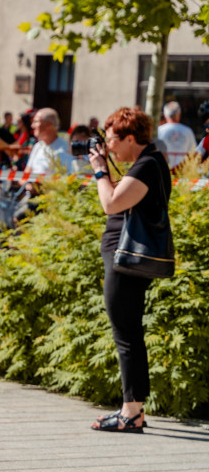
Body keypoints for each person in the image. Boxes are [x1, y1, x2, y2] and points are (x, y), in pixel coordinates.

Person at [88, 107, 169, 433]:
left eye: (112, 140)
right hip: (123, 259)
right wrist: (109, 176)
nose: (108, 148)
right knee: (129, 332)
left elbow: (110, 204)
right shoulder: (147, 162)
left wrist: (99, 172)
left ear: (130, 138)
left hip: (125, 263)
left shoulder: (148, 164)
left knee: (126, 334)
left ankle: (131, 412)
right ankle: (133, 408)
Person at [24, 108, 76, 176]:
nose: (32, 126)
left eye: (36, 121)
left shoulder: (65, 148)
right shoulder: (38, 146)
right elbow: (26, 174)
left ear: (48, 124)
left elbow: (67, 178)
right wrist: (29, 184)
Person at [156, 101, 196, 169]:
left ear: (165, 115)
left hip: (163, 171)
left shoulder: (159, 131)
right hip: (183, 172)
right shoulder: (187, 131)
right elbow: (194, 152)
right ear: (179, 115)